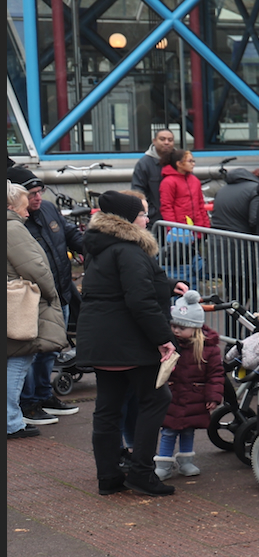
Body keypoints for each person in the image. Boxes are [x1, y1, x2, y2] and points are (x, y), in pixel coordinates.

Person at [75, 191, 177, 494]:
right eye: (143, 214)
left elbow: (116, 284)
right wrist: (164, 339)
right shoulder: (130, 250)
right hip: (129, 340)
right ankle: (142, 472)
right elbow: (140, 299)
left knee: (107, 408)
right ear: (129, 220)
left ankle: (108, 476)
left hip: (102, 341)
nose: (147, 219)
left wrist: (168, 284)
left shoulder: (100, 246)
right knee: (156, 399)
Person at [8, 184, 68, 439]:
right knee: (18, 364)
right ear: (11, 206)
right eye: (23, 206)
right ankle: (11, 422)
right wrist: (51, 292)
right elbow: (35, 267)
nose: (27, 213)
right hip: (19, 304)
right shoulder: (12, 229)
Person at [155, 292, 221, 480]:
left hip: (194, 395)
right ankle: (164, 463)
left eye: (181, 327)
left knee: (188, 429)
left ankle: (186, 461)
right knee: (168, 429)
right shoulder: (170, 344)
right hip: (172, 393)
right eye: (174, 325)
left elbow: (215, 374)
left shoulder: (209, 349)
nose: (176, 330)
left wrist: (213, 396)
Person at [159, 149, 209, 227]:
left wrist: (206, 225)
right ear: (179, 163)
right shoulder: (168, 182)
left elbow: (200, 205)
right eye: (190, 161)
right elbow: (167, 208)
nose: (193, 164)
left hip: (198, 228)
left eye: (193, 161)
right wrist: (174, 229)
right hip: (180, 230)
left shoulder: (195, 181)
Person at [130, 128, 177, 207]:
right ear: (154, 141)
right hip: (154, 217)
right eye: (162, 139)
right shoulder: (144, 164)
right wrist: (151, 212)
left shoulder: (180, 161)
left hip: (180, 216)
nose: (166, 142)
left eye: (170, 140)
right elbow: (137, 193)